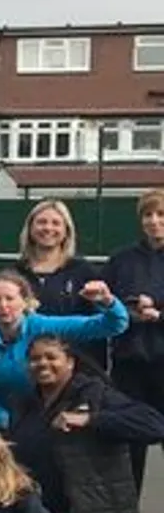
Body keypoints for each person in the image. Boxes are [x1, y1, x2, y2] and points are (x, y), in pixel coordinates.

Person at [8, 335, 164, 513]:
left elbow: (154, 425)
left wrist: (91, 419)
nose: (42, 364)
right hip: (43, 506)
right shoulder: (25, 401)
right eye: (35, 359)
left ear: (70, 362)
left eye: (51, 357)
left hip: (87, 511)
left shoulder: (95, 394)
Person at [0, 273, 127, 421]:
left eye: (10, 298)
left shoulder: (46, 326)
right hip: (5, 418)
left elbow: (114, 325)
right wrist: (2, 418)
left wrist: (107, 301)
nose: (3, 305)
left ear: (25, 301)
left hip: (54, 414)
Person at [103, 188, 164, 492]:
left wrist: (159, 313)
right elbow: (105, 302)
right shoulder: (122, 259)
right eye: (148, 215)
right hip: (130, 366)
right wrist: (128, 309)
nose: (154, 221)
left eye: (161, 214)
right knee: (128, 451)